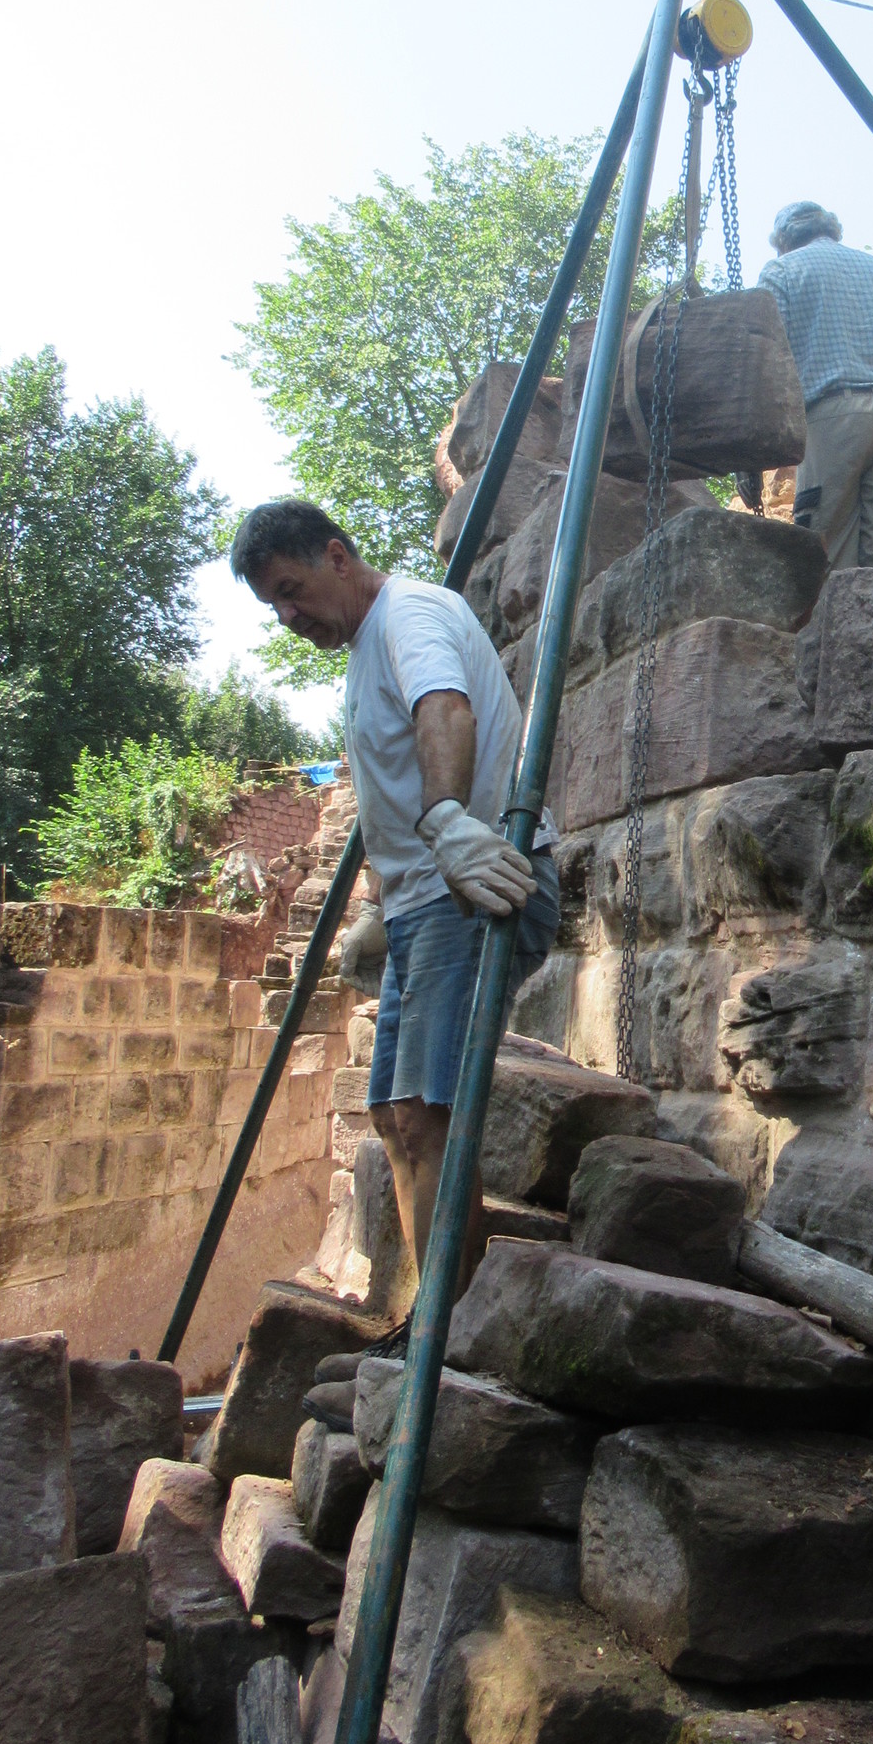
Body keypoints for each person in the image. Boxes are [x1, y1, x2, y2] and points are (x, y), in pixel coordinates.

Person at [229, 498, 559, 1304]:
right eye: (272, 604)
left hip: (472, 884)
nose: (287, 616)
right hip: (424, 902)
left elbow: (445, 708)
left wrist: (447, 820)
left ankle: (447, 1334)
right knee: (395, 1118)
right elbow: (389, 788)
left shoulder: (409, 614)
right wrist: (381, 902)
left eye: (291, 589)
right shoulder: (366, 646)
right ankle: (429, 1321)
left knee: (425, 1116)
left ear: (338, 557)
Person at [757, 200, 873, 571]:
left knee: (829, 553)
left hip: (835, 417)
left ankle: (836, 612)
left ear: (782, 242)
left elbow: (765, 355)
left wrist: (754, 452)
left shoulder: (782, 270)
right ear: (834, 231)